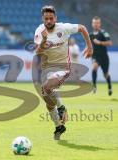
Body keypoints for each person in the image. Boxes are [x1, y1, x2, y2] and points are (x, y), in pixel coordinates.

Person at [34, 5, 93, 140]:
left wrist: (89, 46)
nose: (48, 21)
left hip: (62, 68)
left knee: (47, 88)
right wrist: (43, 40)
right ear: (43, 19)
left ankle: (61, 107)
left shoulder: (64, 28)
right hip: (47, 69)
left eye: (51, 18)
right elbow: (37, 52)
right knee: (48, 101)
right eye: (46, 19)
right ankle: (59, 126)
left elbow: (82, 28)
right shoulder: (39, 31)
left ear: (55, 18)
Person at [89, 16, 113, 96]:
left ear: (100, 24)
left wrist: (100, 42)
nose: (96, 24)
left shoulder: (104, 33)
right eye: (94, 23)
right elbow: (89, 45)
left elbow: (110, 43)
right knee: (94, 67)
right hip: (95, 56)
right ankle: (94, 86)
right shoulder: (90, 35)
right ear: (92, 24)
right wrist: (87, 50)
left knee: (105, 74)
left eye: (97, 23)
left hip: (104, 57)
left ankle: (109, 86)